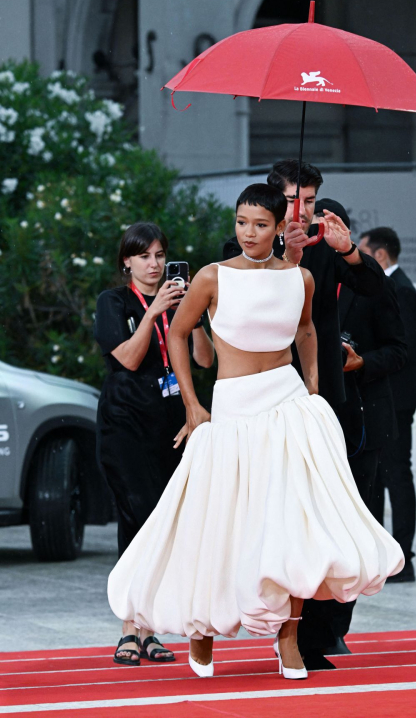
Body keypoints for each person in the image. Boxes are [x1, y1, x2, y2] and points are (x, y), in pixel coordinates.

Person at [107, 184, 404, 681]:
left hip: (286, 405)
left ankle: (287, 638)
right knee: (220, 525)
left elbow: (307, 331)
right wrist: (193, 404)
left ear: (278, 225)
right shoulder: (211, 277)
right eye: (242, 222)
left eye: (260, 224)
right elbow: (178, 334)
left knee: (290, 524)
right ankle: (202, 630)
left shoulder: (300, 278)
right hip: (232, 410)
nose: (249, 232)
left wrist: (312, 390)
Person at [94, 222, 214, 666]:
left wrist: (194, 314)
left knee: (161, 525)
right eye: (144, 256)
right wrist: (152, 313)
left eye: (160, 256)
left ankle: (147, 629)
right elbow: (126, 357)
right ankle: (131, 626)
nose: (154, 264)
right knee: (139, 515)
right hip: (124, 426)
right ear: (127, 260)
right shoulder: (115, 302)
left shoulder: (179, 304)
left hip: (170, 427)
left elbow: (203, 359)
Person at [298, 204, 408, 658]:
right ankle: (302, 630)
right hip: (307, 417)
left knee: (352, 526)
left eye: (329, 232)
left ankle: (333, 628)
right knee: (310, 525)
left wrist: (361, 362)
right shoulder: (296, 275)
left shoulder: (369, 284)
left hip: (360, 420)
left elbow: (399, 350)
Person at [223, 160, 386, 408]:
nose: (301, 210)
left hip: (321, 387)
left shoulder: (324, 243)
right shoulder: (243, 245)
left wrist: (349, 250)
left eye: (309, 201)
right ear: (272, 199)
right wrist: (288, 257)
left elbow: (374, 288)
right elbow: (251, 306)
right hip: (264, 386)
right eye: (291, 200)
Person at [359, 227, 416, 583]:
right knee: (383, 476)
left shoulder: (400, 289)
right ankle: (387, 555)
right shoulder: (391, 286)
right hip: (389, 399)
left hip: (399, 400)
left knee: (397, 475)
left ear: (380, 256)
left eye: (364, 251)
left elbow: (404, 349)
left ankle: (404, 556)